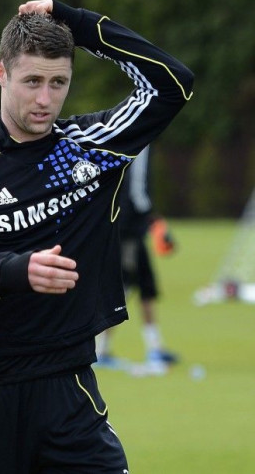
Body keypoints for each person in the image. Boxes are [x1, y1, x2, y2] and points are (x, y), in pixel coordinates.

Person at [0, 0, 193, 473]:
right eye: (32, 82)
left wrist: (78, 23)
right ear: (0, 73)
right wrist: (17, 270)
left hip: (72, 392)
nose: (45, 99)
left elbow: (172, 84)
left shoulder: (93, 148)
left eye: (58, 82)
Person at [95, 145, 180, 375]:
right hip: (128, 228)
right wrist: (152, 220)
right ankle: (100, 350)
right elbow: (137, 189)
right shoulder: (142, 142)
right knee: (122, 287)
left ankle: (154, 346)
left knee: (145, 285)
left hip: (126, 226)